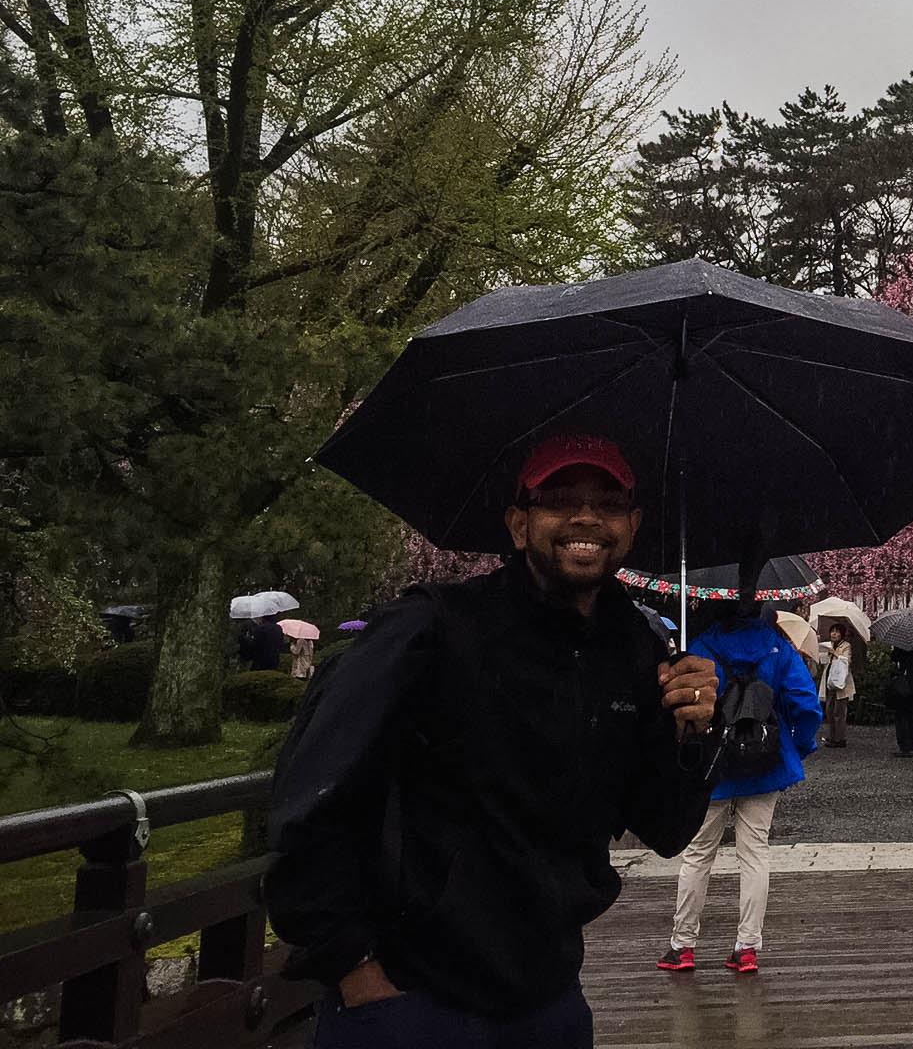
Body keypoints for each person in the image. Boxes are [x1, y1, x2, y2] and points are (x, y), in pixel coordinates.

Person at [267, 433, 718, 1049]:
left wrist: (690, 735)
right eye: (559, 499)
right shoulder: (433, 628)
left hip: (550, 996)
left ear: (632, 526)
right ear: (517, 523)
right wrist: (352, 966)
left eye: (608, 504)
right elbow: (313, 794)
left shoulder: (636, 654)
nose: (586, 518)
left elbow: (664, 827)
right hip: (412, 994)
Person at [660, 595, 822, 974]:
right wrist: (798, 746)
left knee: (698, 853)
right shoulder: (777, 646)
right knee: (755, 853)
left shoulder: (701, 647)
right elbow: (806, 702)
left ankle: (682, 945)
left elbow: (680, 708)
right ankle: (747, 946)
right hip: (765, 762)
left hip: (713, 765)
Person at [886, 646, 913, 757]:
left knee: (902, 716)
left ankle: (905, 746)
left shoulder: (902, 644)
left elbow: (894, 657)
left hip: (905, 685)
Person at [820, 623, 856, 747]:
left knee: (839, 712)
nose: (834, 634)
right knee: (829, 711)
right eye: (832, 631)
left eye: (837, 632)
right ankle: (832, 736)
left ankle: (840, 739)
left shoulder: (846, 646)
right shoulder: (828, 645)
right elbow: (823, 662)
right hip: (830, 682)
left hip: (842, 684)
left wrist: (834, 652)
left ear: (842, 634)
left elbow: (846, 661)